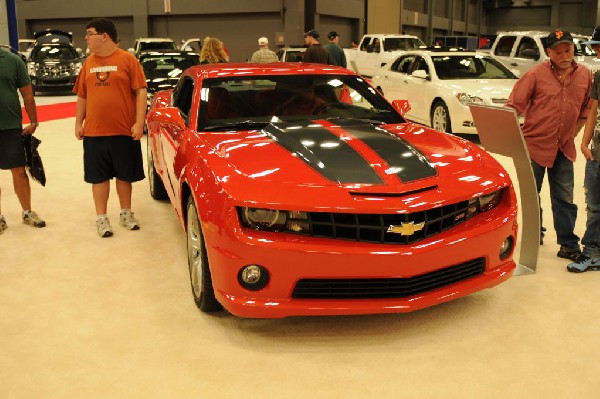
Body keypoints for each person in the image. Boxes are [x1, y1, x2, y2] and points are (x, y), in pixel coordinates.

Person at [505, 29, 592, 261]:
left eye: (568, 50)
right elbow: (513, 107)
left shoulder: (585, 75)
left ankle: (568, 244)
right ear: (548, 52)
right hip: (534, 145)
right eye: (558, 51)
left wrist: (572, 135)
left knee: (564, 197)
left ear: (574, 49)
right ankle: (535, 235)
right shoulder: (535, 74)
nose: (564, 56)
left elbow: (586, 108)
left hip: (564, 147)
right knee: (532, 196)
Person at [73, 17, 147, 237]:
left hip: (123, 130)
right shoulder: (88, 63)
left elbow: (140, 91)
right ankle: (101, 217)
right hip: (95, 132)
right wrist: (79, 122)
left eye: (89, 33)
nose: (86, 38)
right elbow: (82, 96)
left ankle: (126, 213)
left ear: (104, 36)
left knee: (125, 176)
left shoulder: (128, 60)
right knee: (98, 177)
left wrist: (139, 122)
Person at [0, 47, 46, 234]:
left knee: (19, 171)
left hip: (11, 126)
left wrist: (33, 120)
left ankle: (27, 212)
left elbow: (27, 93)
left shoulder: (13, 60)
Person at [567, 27, 600, 272]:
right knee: (595, 205)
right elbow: (593, 110)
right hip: (597, 154)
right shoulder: (599, 75)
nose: (596, 50)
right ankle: (592, 252)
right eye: (595, 46)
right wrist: (584, 143)